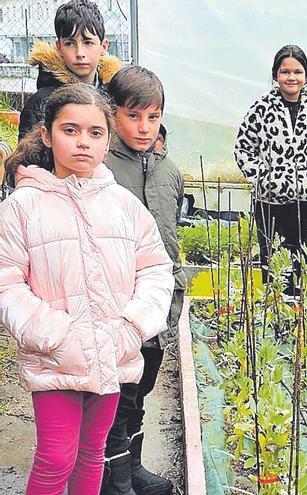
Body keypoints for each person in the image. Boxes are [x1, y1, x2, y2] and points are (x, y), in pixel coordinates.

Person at [0, 83, 174, 495]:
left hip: (113, 352)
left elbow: (155, 269)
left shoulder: (123, 204)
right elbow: (7, 283)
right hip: (56, 358)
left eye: (95, 133)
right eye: (70, 130)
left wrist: (130, 328)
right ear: (47, 134)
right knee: (55, 457)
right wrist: (57, 335)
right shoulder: (21, 208)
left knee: (93, 452)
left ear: (107, 139)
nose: (83, 142)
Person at [102, 65, 182, 495]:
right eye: (134, 116)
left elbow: (170, 236)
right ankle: (113, 479)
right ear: (113, 114)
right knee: (116, 395)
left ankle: (132, 466)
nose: (144, 126)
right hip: (117, 304)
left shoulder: (170, 170)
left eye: (152, 117)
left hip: (157, 303)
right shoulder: (101, 167)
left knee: (141, 388)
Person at [235, 44, 307, 298]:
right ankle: (274, 312)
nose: (291, 78)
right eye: (285, 72)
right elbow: (242, 149)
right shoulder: (260, 109)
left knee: (300, 256)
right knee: (270, 256)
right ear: (275, 75)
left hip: (304, 201)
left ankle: (297, 313)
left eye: (297, 72)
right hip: (268, 202)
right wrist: (264, 179)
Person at [18, 0, 121, 140]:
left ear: (104, 46)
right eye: (70, 43)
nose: (80, 53)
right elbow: (26, 156)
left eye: (88, 42)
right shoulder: (41, 102)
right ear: (59, 47)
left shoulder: (116, 93)